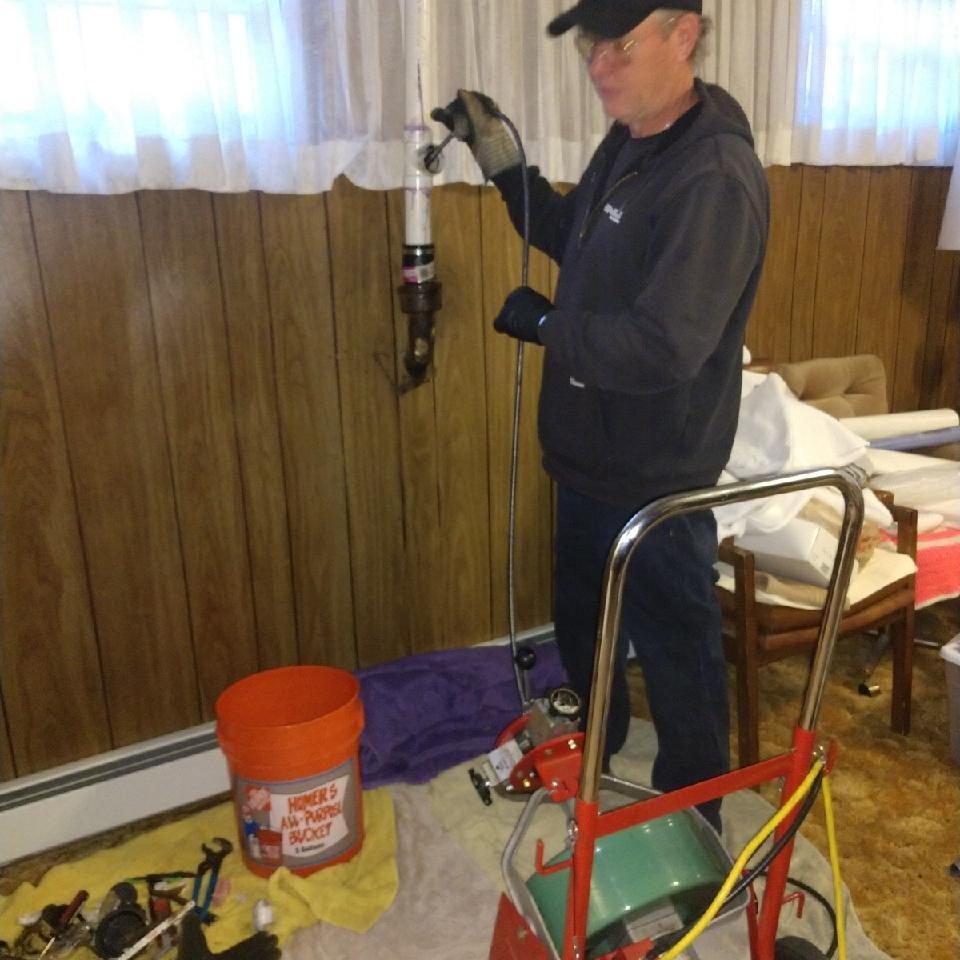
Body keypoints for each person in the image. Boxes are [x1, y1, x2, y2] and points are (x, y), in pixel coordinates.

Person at [437, 0, 769, 831]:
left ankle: (697, 825)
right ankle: (594, 755)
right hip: (586, 459)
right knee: (586, 633)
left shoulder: (713, 177)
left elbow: (666, 347)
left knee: (678, 655)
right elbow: (571, 232)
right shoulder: (630, 141)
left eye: (618, 46)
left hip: (657, 471)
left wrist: (549, 325)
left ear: (683, 35)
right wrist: (504, 164)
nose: (598, 67)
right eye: (591, 49)